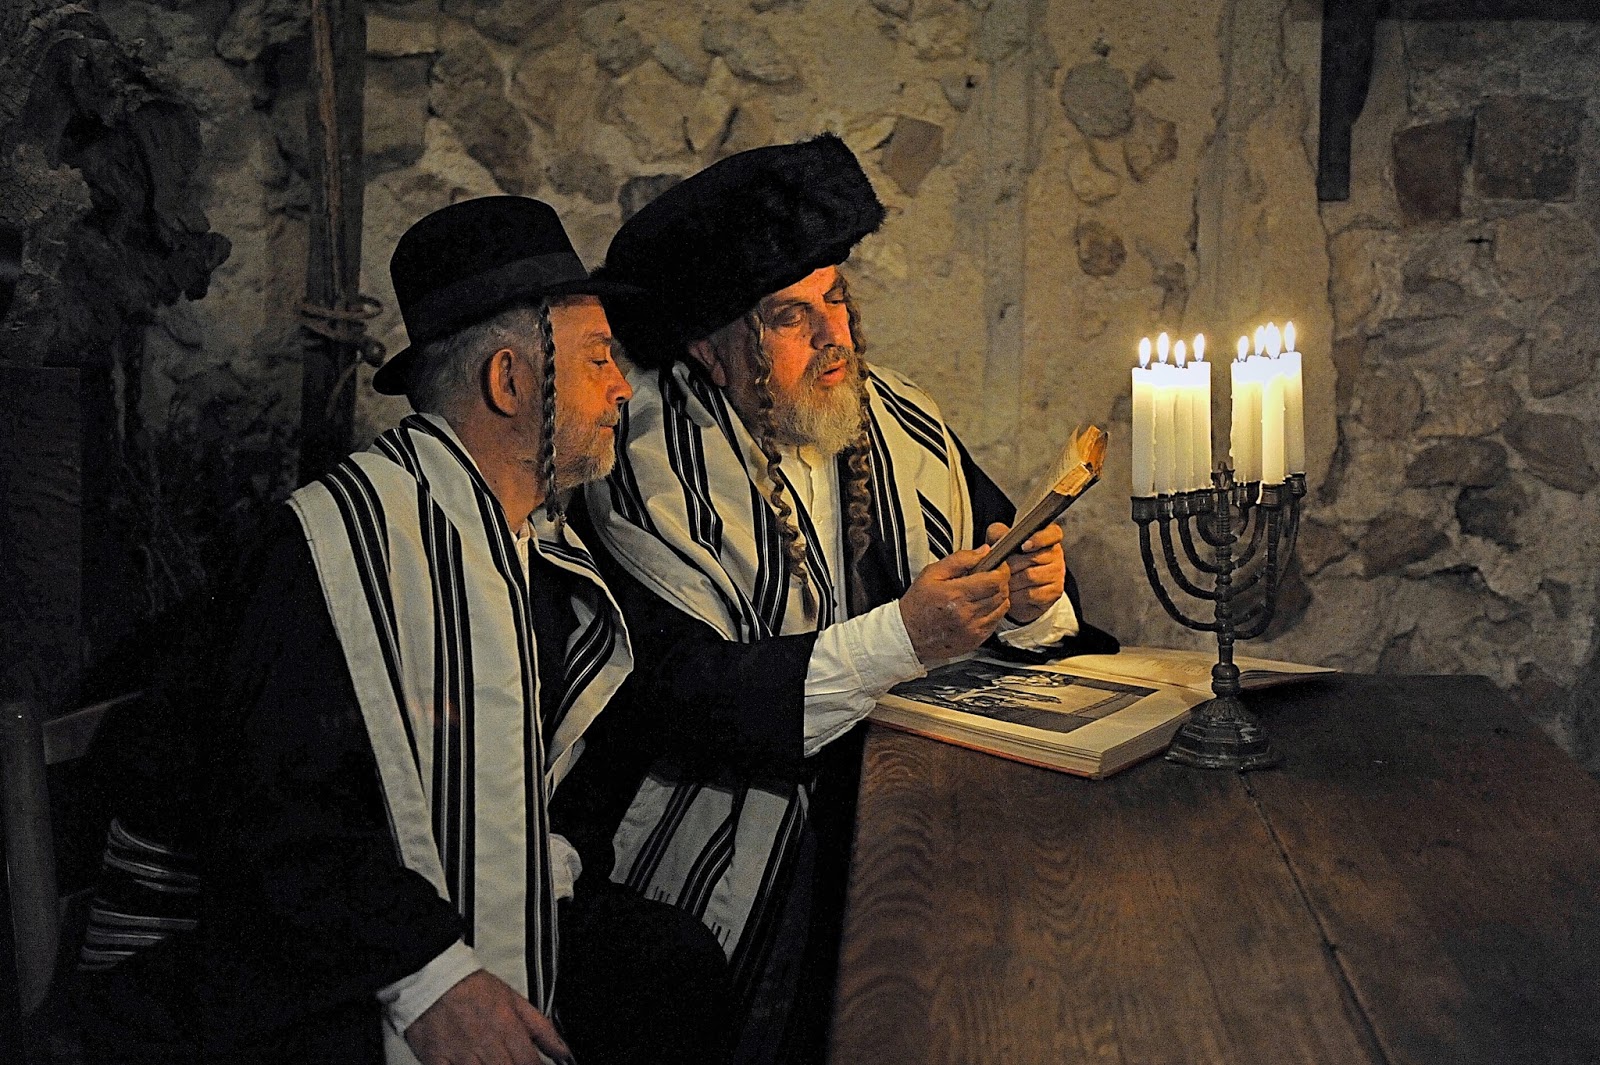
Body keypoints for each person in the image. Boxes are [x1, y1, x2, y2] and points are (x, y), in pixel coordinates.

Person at [70, 196, 732, 1065]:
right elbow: (277, 821)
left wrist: (539, 868)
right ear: (509, 380)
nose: (621, 388)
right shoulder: (334, 550)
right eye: (599, 357)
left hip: (367, 894)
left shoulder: (518, 543)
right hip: (251, 949)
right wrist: (432, 976)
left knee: (670, 968)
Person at [553, 135, 1118, 1064]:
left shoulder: (896, 415)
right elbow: (686, 695)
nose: (836, 338)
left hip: (903, 812)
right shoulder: (642, 464)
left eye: (838, 300)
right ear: (711, 349)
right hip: (732, 835)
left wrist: (1033, 600)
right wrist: (906, 635)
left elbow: (1007, 561)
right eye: (791, 316)